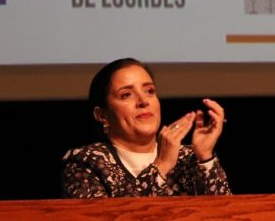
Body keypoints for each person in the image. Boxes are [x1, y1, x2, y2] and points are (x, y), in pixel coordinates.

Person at [61, 58, 231, 198]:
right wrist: (161, 165)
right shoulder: (85, 163)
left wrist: (205, 157)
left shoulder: (188, 158)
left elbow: (226, 213)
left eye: (149, 91)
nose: (143, 101)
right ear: (102, 115)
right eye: (126, 95)